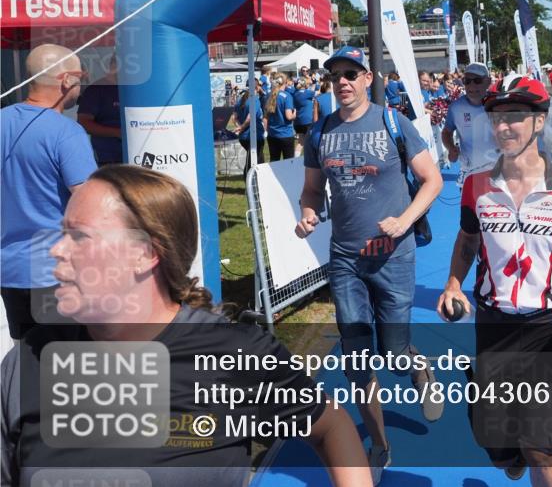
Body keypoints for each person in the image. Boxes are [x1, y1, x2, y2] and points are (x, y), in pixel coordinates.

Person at [1, 165, 371, 487]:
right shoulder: (27, 361)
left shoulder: (233, 354)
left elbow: (330, 425)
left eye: (78, 236)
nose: (56, 250)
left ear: (146, 254)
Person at [437, 76, 552, 486]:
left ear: (540, 121)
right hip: (492, 324)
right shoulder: (476, 185)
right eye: (497, 117)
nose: (504, 127)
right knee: (498, 450)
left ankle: (531, 453)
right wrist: (453, 284)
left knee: (539, 447)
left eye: (516, 116)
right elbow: (467, 238)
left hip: (547, 327)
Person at [295, 46, 444, 485]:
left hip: (393, 257)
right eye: (335, 75)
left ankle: (417, 366)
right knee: (357, 361)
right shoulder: (319, 133)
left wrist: (403, 222)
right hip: (345, 261)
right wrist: (307, 213)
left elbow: (432, 180)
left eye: (350, 73)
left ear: (367, 78)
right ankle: (379, 445)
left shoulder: (393, 122)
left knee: (393, 354)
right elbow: (310, 191)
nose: (341, 81)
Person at [1, 45, 96, 339]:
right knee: (67, 370)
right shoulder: (66, 132)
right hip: (57, 272)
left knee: (27, 362)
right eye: (81, 76)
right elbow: (91, 204)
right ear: (66, 79)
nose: (81, 86)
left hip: (10, 270)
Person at [442, 63, 498, 184]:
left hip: (498, 171)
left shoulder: (499, 104)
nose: (472, 85)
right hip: (470, 171)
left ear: (488, 81)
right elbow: (446, 132)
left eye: (477, 80)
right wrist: (451, 148)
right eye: (467, 81)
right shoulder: (456, 107)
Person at [76, 56, 122, 166]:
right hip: (108, 159)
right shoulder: (96, 90)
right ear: (112, 66)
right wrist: (118, 133)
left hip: (141, 154)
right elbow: (84, 123)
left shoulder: (140, 88)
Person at [232, 83, 266, 175]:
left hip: (244, 137)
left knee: (259, 160)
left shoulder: (240, 100)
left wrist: (239, 127)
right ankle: (249, 183)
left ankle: (262, 180)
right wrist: (242, 127)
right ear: (257, 87)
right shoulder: (254, 100)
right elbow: (250, 117)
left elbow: (234, 118)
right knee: (252, 163)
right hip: (254, 136)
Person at [264, 73, 296, 161]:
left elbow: (265, 117)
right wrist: (295, 114)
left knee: (274, 162)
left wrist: (267, 131)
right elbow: (289, 116)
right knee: (289, 163)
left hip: (272, 135)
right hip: (286, 135)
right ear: (285, 82)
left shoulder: (268, 96)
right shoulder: (287, 96)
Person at [293, 77, 317, 151]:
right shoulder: (307, 93)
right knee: (311, 142)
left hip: (297, 122)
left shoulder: (295, 93)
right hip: (307, 121)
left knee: (300, 142)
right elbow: (318, 92)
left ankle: (296, 159)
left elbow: (311, 91)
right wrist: (315, 83)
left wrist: (313, 84)